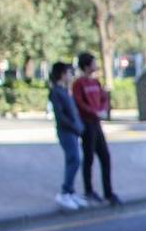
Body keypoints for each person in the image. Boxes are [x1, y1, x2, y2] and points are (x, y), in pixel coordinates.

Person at [71, 52, 121, 206]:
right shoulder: (79, 84)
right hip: (87, 124)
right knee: (89, 158)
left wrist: (102, 109)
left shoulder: (96, 82)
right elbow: (79, 103)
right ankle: (89, 190)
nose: (96, 65)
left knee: (105, 157)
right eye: (93, 63)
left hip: (97, 124)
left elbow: (104, 98)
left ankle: (108, 192)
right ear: (87, 66)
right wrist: (95, 112)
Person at [49, 62, 85, 211]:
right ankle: (65, 192)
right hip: (66, 131)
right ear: (62, 74)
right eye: (69, 73)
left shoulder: (64, 91)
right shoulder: (56, 92)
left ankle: (70, 191)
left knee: (75, 160)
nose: (71, 76)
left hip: (72, 131)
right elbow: (61, 116)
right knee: (74, 160)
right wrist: (74, 127)